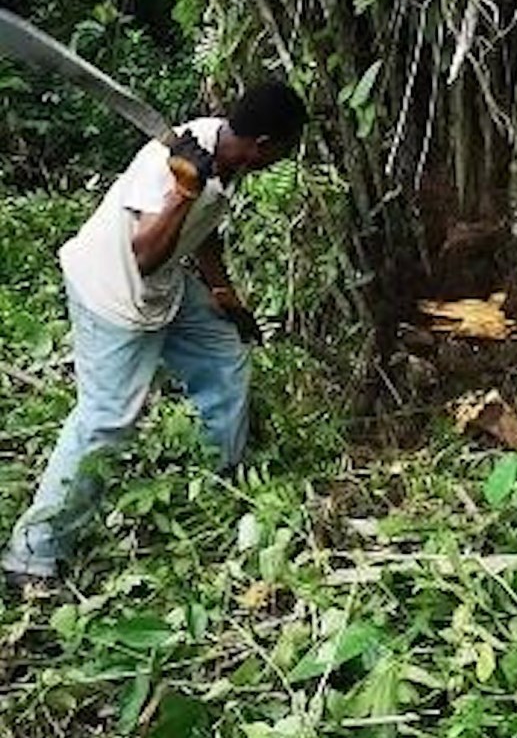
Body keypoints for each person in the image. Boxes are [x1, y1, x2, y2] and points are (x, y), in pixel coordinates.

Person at [2, 81, 308, 587]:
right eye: (285, 152)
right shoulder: (175, 163)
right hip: (114, 290)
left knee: (223, 351)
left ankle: (222, 477)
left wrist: (224, 295)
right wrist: (182, 192)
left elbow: (205, 228)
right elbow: (145, 254)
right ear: (265, 146)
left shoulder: (225, 155)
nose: (281, 160)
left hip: (164, 287)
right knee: (106, 419)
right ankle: (31, 554)